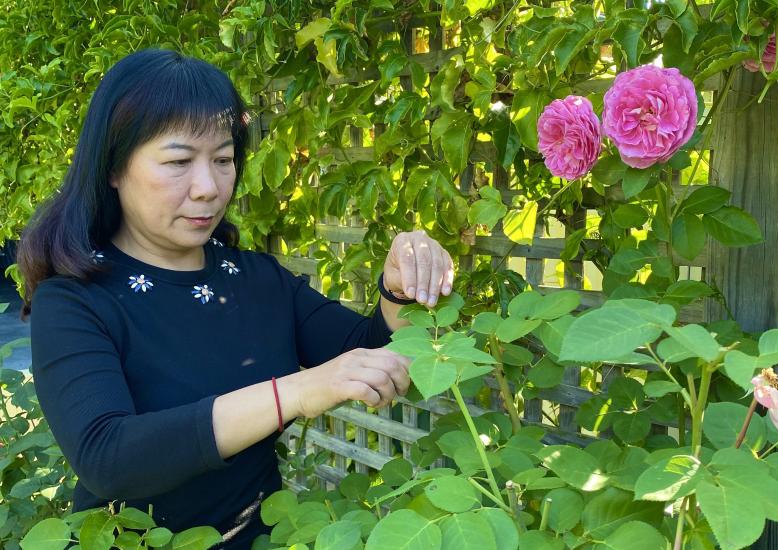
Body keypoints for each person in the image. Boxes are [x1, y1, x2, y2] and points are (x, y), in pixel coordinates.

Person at [16, 48, 455, 549]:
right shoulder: (75, 300)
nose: (208, 188)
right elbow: (108, 457)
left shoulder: (256, 279)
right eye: (179, 161)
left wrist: (398, 286)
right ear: (114, 167)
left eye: (223, 160)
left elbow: (367, 349)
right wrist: (293, 391)